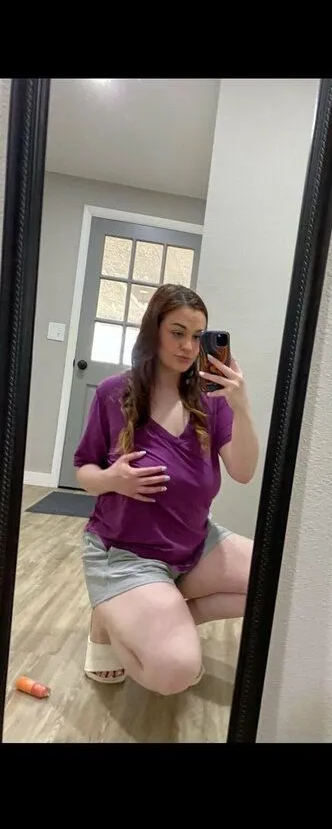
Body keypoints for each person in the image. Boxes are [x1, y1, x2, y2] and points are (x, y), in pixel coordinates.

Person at [74, 283, 259, 693]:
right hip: (126, 553)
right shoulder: (113, 394)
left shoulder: (211, 402)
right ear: (153, 330)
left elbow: (244, 471)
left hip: (195, 544)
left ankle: (162, 611)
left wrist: (242, 405)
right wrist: (111, 479)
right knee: (176, 672)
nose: (189, 347)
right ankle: (110, 615)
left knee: (276, 582)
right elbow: (83, 471)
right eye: (177, 333)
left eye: (197, 336)